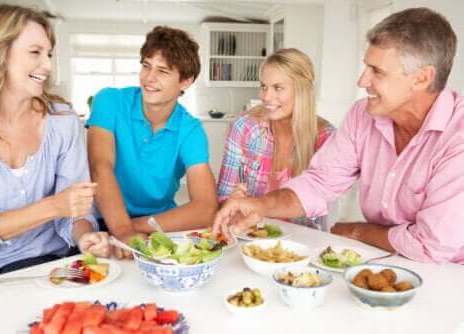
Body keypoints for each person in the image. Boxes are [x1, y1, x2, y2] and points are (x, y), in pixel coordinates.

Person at [213, 7, 464, 264]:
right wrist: (260, 206)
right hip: (386, 260)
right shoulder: (362, 116)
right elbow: (319, 183)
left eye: (377, 71)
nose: (362, 81)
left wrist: (357, 231)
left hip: (449, 276)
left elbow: (432, 246)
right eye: (366, 67)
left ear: (422, 78)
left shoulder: (458, 137)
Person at [0, 5, 110, 282]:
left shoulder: (63, 121)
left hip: (53, 263)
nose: (47, 65)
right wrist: (55, 206)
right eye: (35, 52)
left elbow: (76, 209)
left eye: (49, 54)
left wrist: (85, 236)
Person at [87, 26, 218, 258]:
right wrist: (120, 228)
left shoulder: (190, 130)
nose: (149, 78)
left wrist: (131, 228)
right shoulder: (109, 101)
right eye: (146, 65)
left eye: (163, 71)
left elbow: (205, 208)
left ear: (185, 82)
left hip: (155, 225)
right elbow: (100, 167)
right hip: (103, 220)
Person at [217, 48, 334, 229]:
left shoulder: (326, 139)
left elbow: (319, 209)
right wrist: (232, 204)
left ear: (303, 90)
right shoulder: (245, 127)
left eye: (278, 88)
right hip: (249, 235)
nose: (266, 97)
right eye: (264, 86)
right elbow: (223, 196)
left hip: (303, 243)